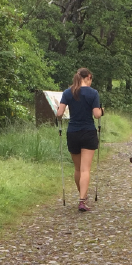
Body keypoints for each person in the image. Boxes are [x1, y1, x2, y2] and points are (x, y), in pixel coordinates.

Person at [56, 68, 104, 212]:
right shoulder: (93, 93)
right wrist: (102, 111)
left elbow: (59, 113)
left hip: (73, 132)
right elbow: (96, 115)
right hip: (88, 132)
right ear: (88, 77)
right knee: (85, 169)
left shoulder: (67, 92)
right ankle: (82, 200)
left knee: (77, 169)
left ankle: (82, 196)